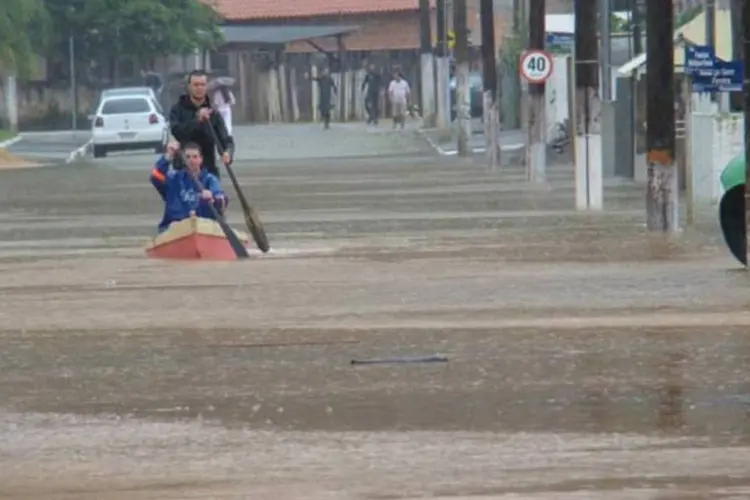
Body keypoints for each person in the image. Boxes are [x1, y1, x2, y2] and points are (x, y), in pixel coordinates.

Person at [150, 141, 228, 233]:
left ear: (201, 159)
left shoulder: (210, 179)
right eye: (188, 157)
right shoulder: (174, 178)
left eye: (195, 157)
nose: (191, 160)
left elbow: (222, 199)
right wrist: (169, 154)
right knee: (174, 226)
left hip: (203, 227)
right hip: (175, 227)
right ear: (184, 160)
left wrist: (213, 198)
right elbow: (155, 176)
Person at [169, 69, 233, 178]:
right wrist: (197, 121)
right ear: (189, 86)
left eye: (202, 85)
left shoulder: (213, 112)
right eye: (196, 85)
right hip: (183, 170)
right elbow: (177, 132)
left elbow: (225, 139)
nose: (199, 88)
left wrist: (228, 152)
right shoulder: (177, 110)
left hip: (208, 169)